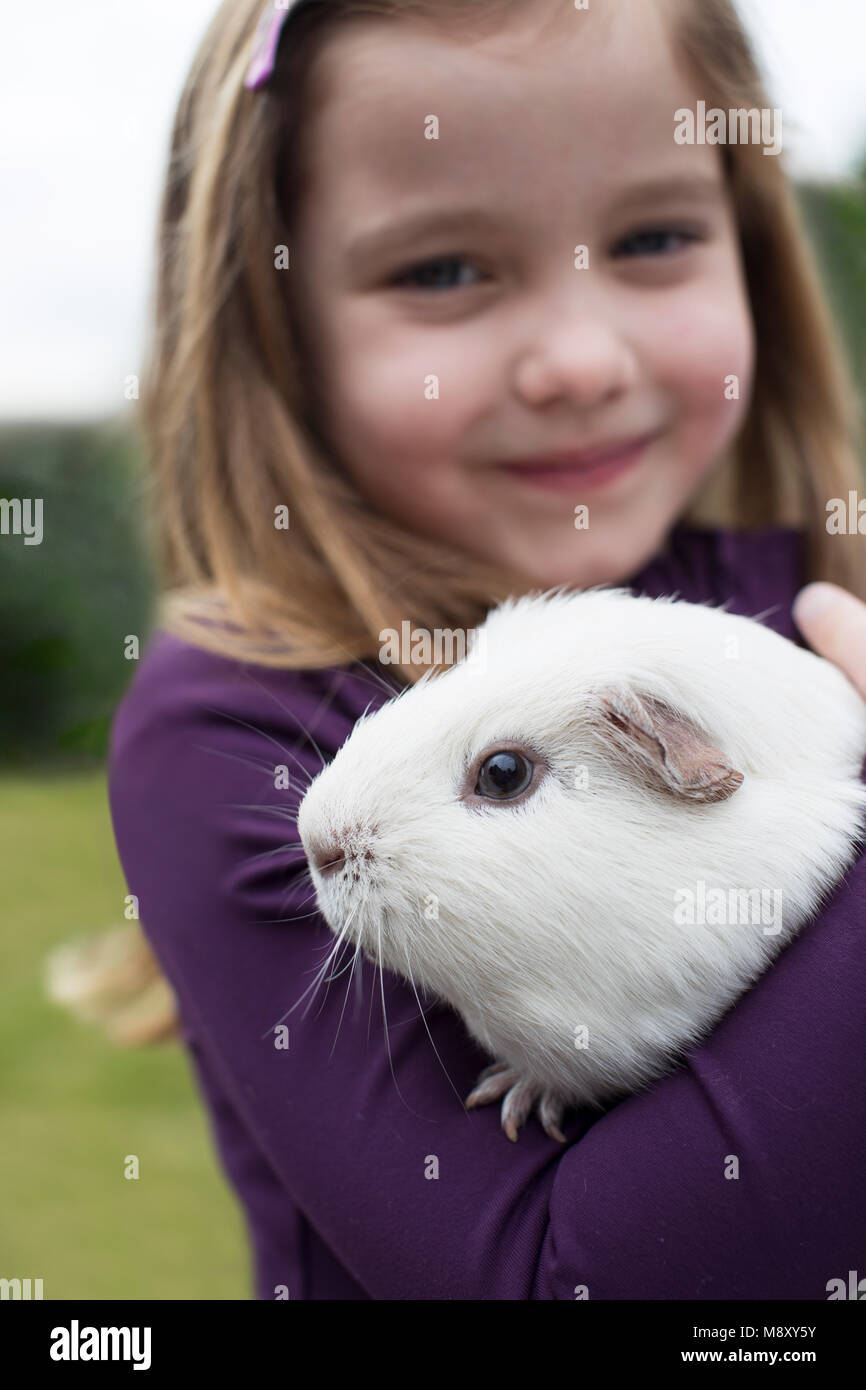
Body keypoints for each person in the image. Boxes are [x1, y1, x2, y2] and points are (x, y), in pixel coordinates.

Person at [106, 0, 866, 1298]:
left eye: (652, 237)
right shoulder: (224, 726)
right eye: (443, 270)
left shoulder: (817, 590)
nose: (576, 360)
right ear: (277, 317)